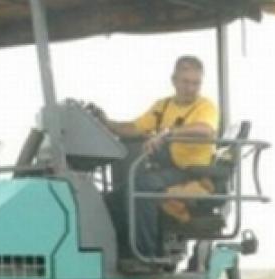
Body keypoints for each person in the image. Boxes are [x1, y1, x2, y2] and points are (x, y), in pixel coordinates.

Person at [92, 55, 219, 268]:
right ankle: (121, 253)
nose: (191, 88)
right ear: (174, 80)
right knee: (114, 197)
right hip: (165, 170)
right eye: (186, 82)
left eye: (196, 83)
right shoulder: (163, 106)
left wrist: (168, 133)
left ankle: (145, 257)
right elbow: (134, 128)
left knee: (142, 186)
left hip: (190, 171)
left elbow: (205, 130)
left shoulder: (205, 106)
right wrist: (106, 122)